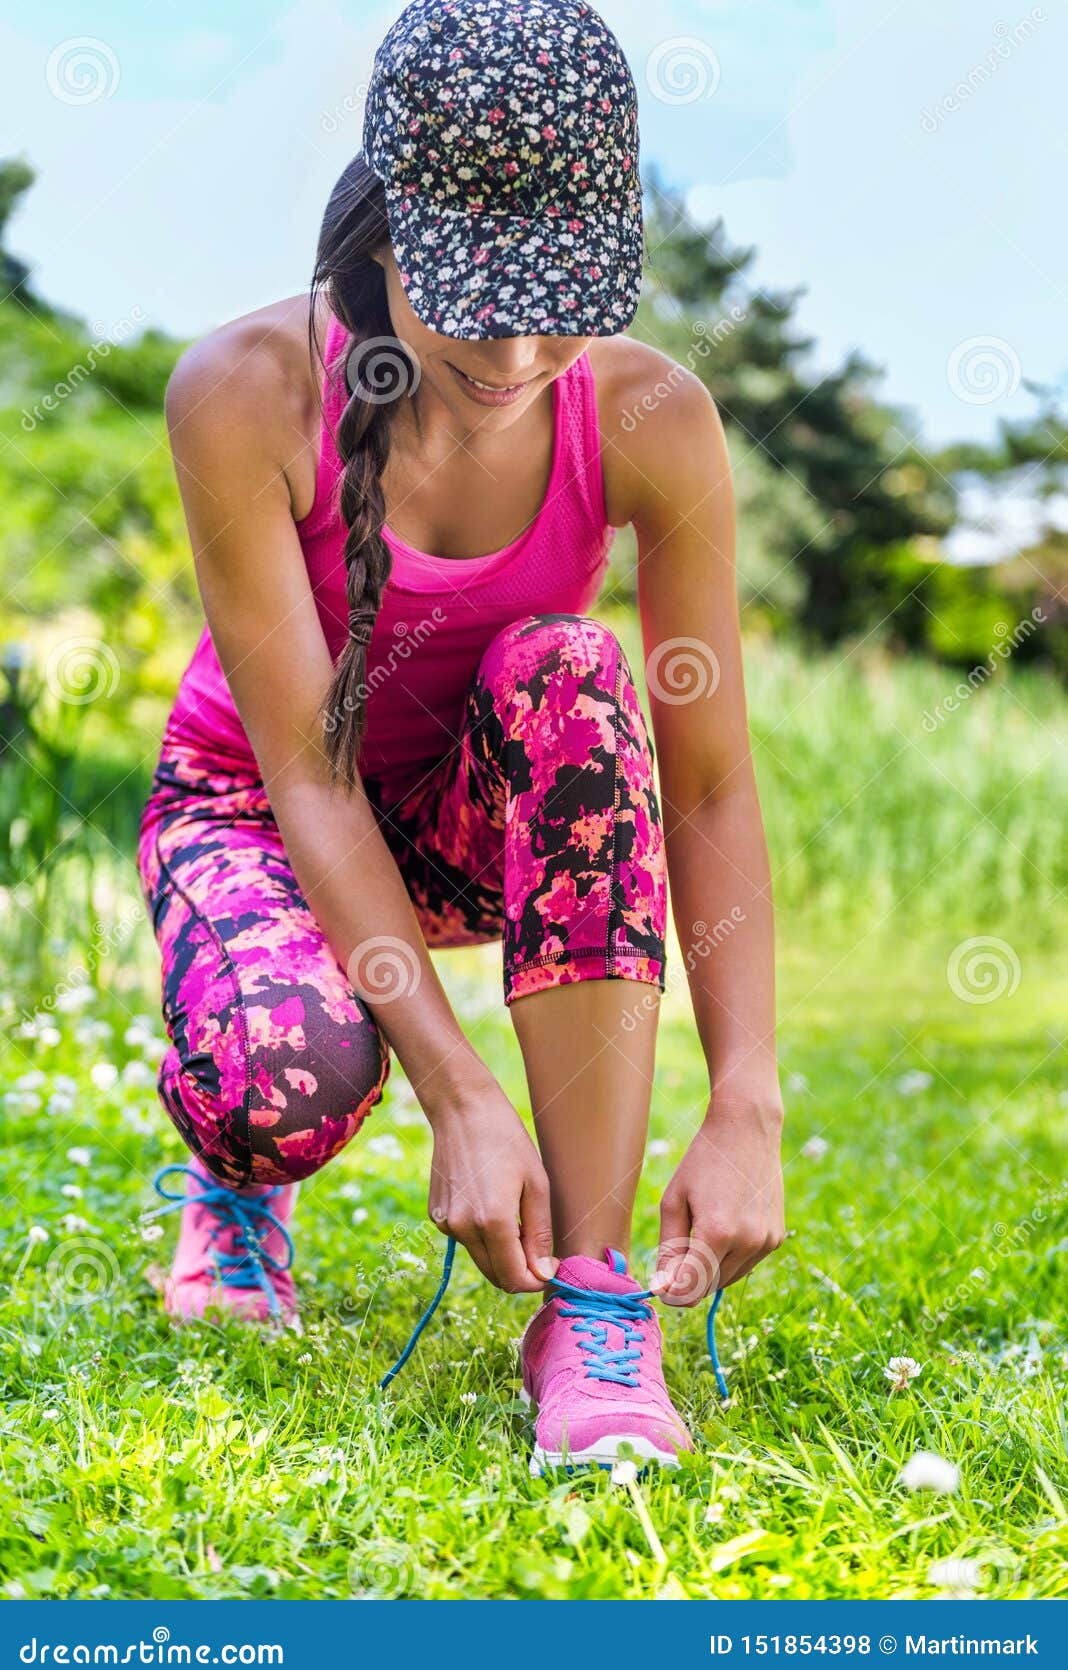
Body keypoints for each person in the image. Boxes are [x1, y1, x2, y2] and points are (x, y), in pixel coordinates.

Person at [139, 0, 785, 1472]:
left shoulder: (653, 415)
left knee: (571, 663)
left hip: (467, 818)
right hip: (256, 810)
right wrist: (459, 1090)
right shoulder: (241, 393)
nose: (517, 346)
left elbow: (707, 782)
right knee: (283, 1074)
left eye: (560, 294)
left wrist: (746, 1090)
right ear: (378, 230)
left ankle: (593, 1300)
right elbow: (304, 773)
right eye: (472, 295)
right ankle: (237, 1188)